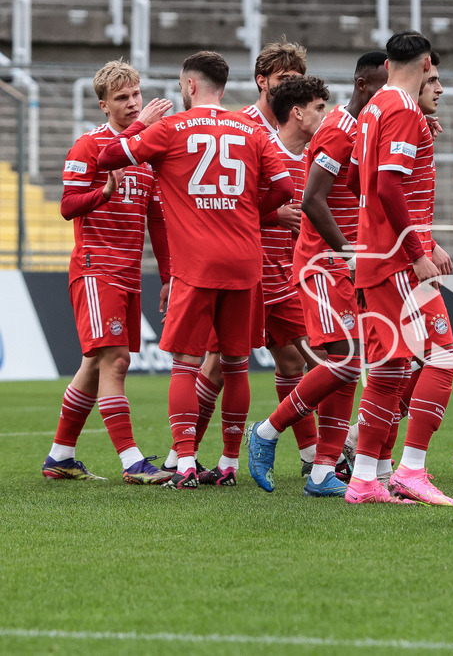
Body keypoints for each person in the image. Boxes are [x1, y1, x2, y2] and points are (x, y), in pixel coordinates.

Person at [97, 50, 293, 489]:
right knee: (237, 365)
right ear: (222, 87)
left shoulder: (168, 129)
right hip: (245, 261)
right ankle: (227, 463)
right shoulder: (250, 128)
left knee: (186, 365)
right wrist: (250, 213)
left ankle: (184, 462)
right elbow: (284, 186)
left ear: (189, 86)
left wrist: (139, 126)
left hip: (197, 264)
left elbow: (107, 157)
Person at [164, 40, 313, 480]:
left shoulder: (304, 126)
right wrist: (269, 211)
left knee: (289, 361)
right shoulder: (239, 125)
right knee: (217, 363)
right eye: (285, 79)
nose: (293, 87)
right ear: (262, 81)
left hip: (281, 266)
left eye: (297, 79)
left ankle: (308, 457)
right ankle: (186, 454)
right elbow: (219, 199)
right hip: (239, 263)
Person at [247, 58, 388, 496]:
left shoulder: (362, 130)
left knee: (347, 364)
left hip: (342, 265)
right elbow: (311, 200)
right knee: (345, 362)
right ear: (365, 87)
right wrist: (348, 253)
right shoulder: (337, 129)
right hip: (322, 264)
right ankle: (267, 432)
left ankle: (325, 469)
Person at [41, 60, 173, 485]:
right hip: (95, 267)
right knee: (116, 360)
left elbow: (158, 220)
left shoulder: (146, 154)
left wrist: (168, 276)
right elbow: (67, 207)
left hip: (129, 272)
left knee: (95, 364)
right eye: (122, 98)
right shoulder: (88, 146)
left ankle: (60, 456)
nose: (133, 104)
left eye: (135, 94)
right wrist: (106, 191)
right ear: (103, 105)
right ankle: (133, 461)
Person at [343, 31, 453, 505]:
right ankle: (411, 470)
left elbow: (355, 177)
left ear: (388, 64)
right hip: (397, 262)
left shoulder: (372, 108)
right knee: (443, 357)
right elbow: (389, 186)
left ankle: (365, 479)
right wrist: (416, 251)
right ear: (428, 63)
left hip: (374, 255)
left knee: (390, 371)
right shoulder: (405, 111)